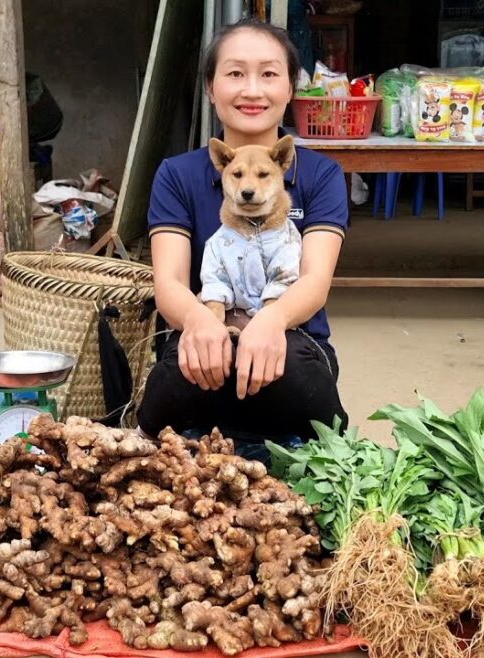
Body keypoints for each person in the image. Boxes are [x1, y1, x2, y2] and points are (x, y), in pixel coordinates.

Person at [137, 18, 348, 458]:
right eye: (235, 73)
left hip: (290, 340)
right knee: (163, 394)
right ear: (211, 89)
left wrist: (271, 321)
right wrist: (200, 322)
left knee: (301, 382)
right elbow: (169, 282)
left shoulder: (321, 175)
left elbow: (314, 280)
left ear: (290, 88)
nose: (252, 90)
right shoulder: (177, 175)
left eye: (269, 74)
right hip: (206, 338)